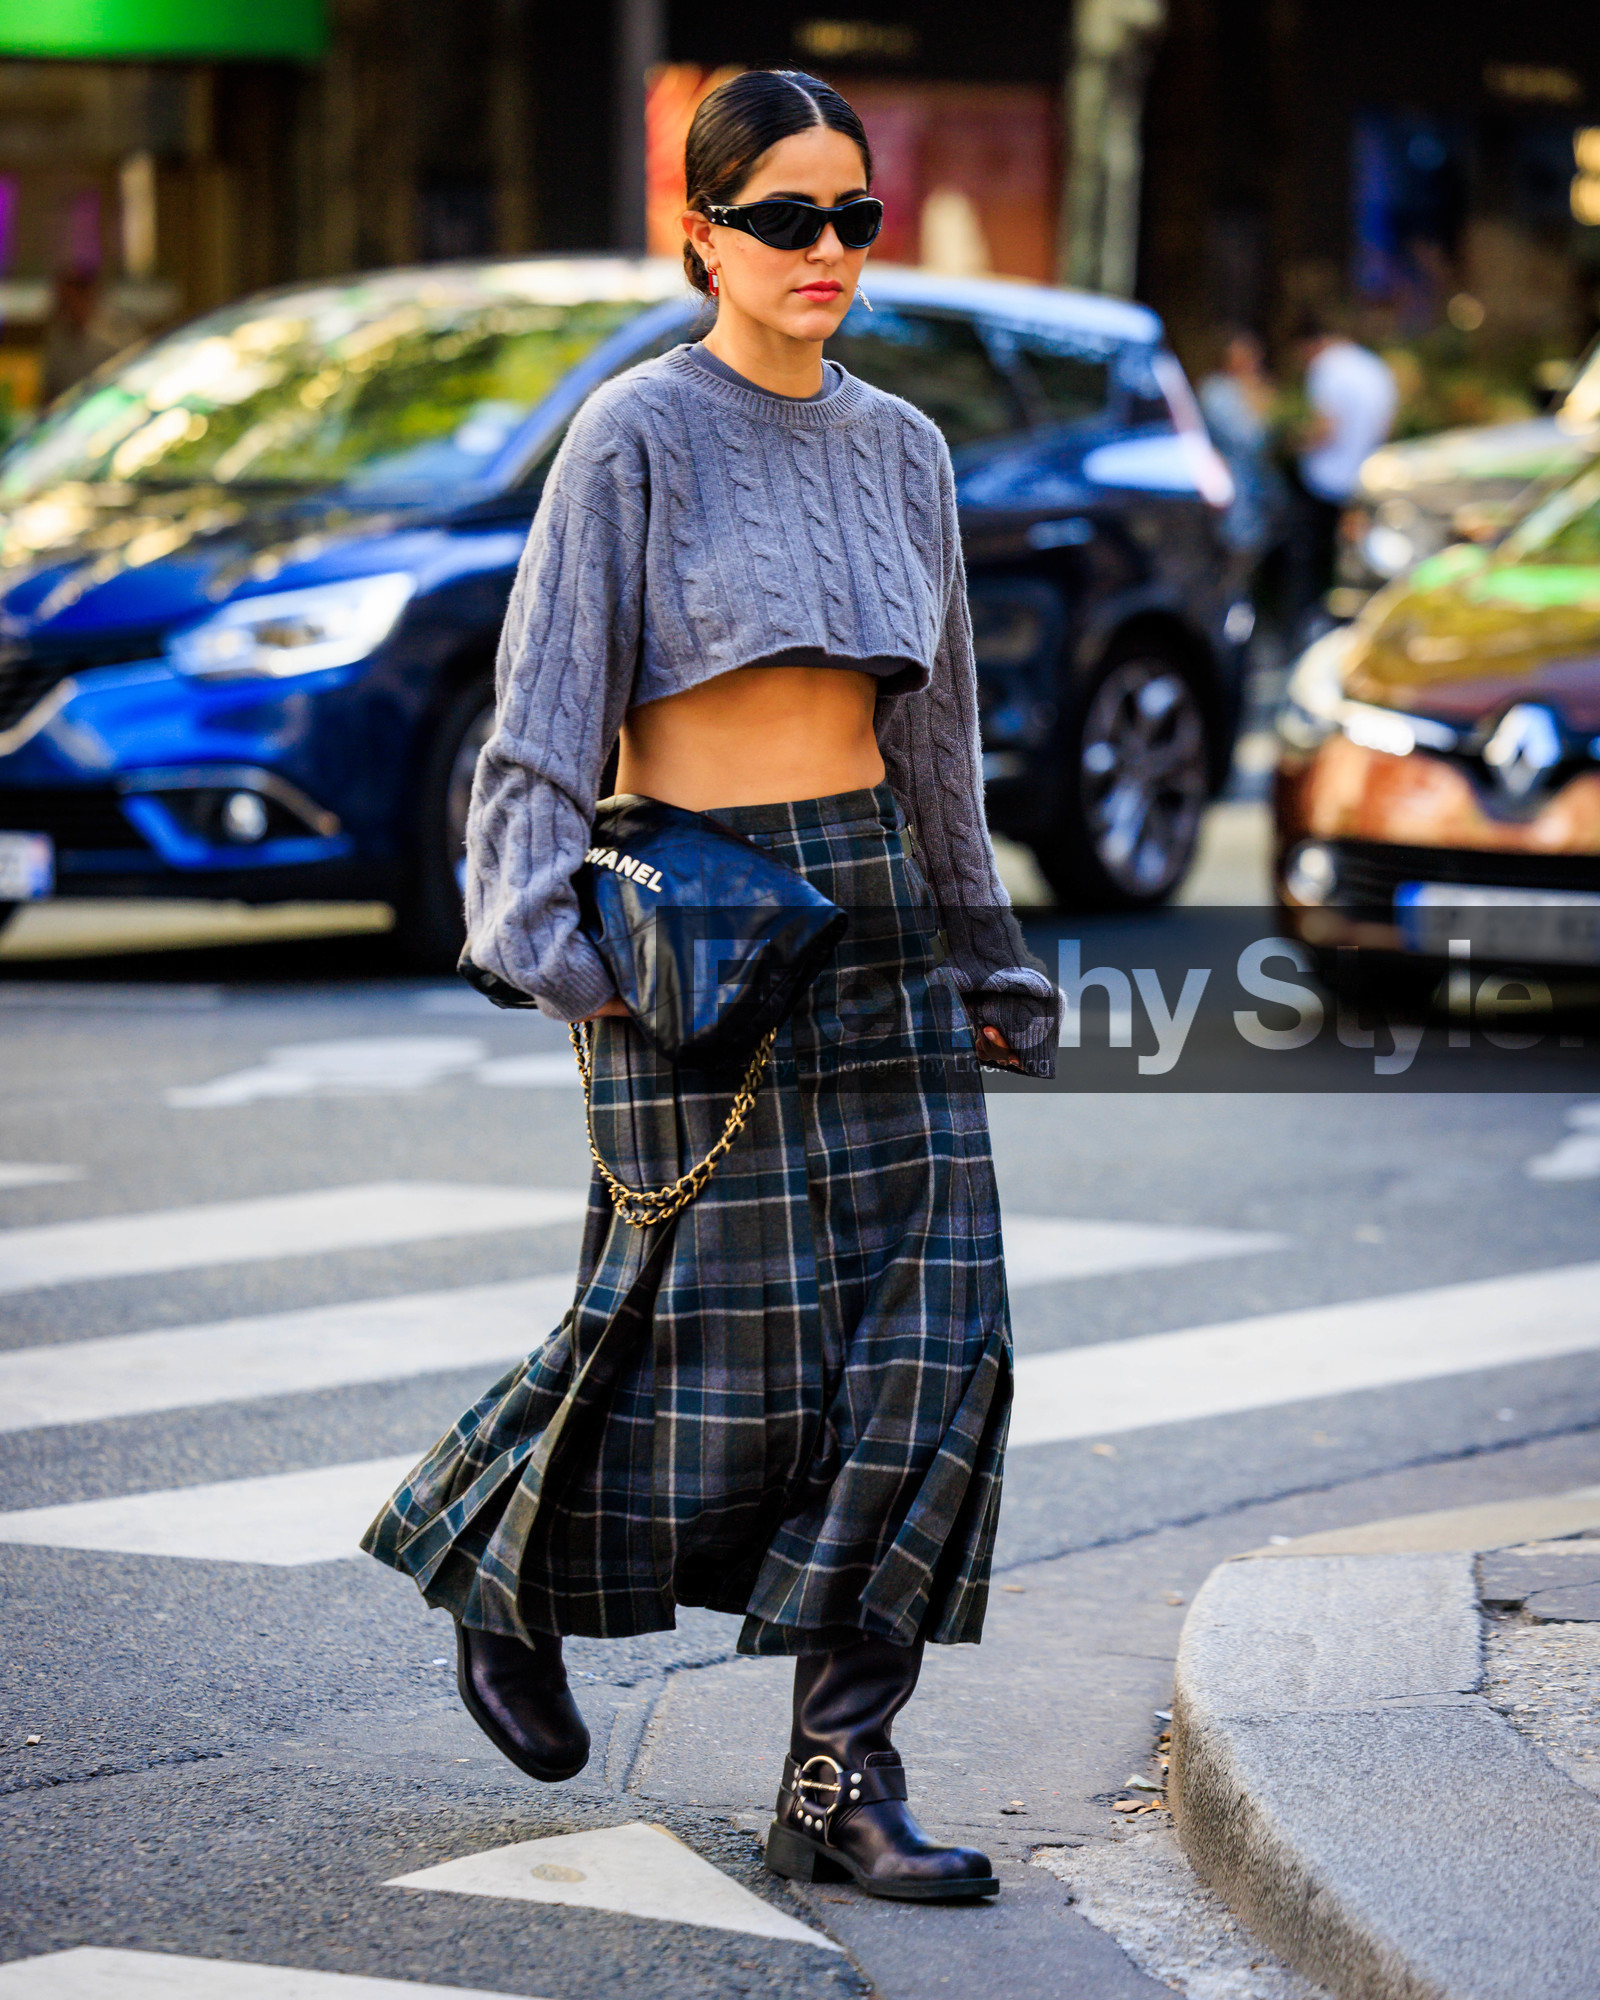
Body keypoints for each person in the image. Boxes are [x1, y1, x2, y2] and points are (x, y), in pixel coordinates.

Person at [361, 68, 1057, 1904]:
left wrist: (985, 949)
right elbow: (544, 712)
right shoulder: (633, 436)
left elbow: (945, 749)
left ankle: (842, 1777)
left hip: (879, 927)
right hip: (703, 920)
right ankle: (496, 1576)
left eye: (854, 219)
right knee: (688, 1337)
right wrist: (548, 945)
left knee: (928, 1359)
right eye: (786, 220)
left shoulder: (905, 447)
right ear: (704, 235)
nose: (826, 252)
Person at [1285, 310, 1398, 624]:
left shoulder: (1327, 367)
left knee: (1309, 560)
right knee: (1359, 560)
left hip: (1324, 482)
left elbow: (1325, 429)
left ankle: (1307, 623)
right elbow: (1386, 429)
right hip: (1364, 479)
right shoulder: (1374, 367)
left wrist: (1293, 442)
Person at [1197, 328, 1286, 570]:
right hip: (1234, 480)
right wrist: (1259, 405)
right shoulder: (1216, 390)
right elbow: (1249, 438)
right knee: (1237, 546)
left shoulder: (1256, 387)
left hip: (1260, 483)